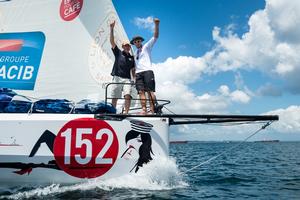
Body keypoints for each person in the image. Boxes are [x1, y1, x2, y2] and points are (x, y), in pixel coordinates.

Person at [130, 18, 160, 115]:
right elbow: (134, 66)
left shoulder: (147, 46)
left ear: (141, 41)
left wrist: (156, 24)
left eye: (138, 41)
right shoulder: (135, 53)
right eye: (135, 41)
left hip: (147, 71)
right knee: (141, 92)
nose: (137, 42)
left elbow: (155, 36)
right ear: (134, 43)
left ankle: (152, 109)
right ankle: (144, 110)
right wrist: (134, 77)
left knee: (150, 92)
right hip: (138, 74)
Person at [109, 20, 135, 114]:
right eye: (125, 46)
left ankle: (126, 112)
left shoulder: (132, 58)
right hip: (117, 77)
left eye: (128, 46)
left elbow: (133, 70)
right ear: (123, 46)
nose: (127, 47)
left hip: (127, 79)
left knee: (128, 95)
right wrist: (111, 28)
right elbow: (112, 41)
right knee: (114, 97)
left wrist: (134, 79)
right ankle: (112, 112)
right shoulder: (118, 53)